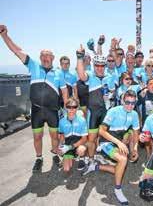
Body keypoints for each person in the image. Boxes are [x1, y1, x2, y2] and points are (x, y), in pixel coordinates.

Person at [0, 25, 68, 172]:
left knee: (54, 136)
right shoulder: (33, 66)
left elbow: (64, 92)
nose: (45, 58)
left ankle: (55, 154)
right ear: (40, 58)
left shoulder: (58, 73)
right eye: (43, 56)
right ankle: (39, 158)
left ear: (53, 58)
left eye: (48, 56)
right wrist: (4, 36)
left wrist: (67, 107)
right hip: (36, 110)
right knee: (37, 137)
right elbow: (16, 51)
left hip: (52, 110)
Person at [84, 90, 140, 205]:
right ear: (122, 101)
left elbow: (136, 134)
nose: (130, 105)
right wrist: (119, 143)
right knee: (123, 160)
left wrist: (135, 149)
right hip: (106, 141)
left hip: (119, 141)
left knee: (119, 168)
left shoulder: (134, 114)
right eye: (127, 102)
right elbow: (101, 131)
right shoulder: (113, 111)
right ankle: (117, 189)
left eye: (133, 103)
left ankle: (95, 166)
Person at [76, 45, 115, 167]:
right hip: (93, 112)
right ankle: (91, 159)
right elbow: (81, 75)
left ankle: (99, 155)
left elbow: (113, 91)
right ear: (94, 66)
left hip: (105, 111)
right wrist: (79, 58)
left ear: (105, 66)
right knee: (91, 138)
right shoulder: (90, 75)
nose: (99, 68)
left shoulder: (109, 77)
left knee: (104, 137)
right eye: (97, 65)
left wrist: (110, 95)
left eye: (102, 65)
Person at [58, 97, 88, 173]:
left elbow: (84, 139)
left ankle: (82, 158)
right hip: (68, 144)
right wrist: (60, 146)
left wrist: (70, 147)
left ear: (77, 108)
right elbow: (61, 135)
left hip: (79, 144)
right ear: (65, 107)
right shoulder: (61, 121)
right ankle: (72, 156)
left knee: (81, 150)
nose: (71, 109)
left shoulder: (82, 120)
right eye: (69, 107)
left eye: (74, 107)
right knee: (66, 169)